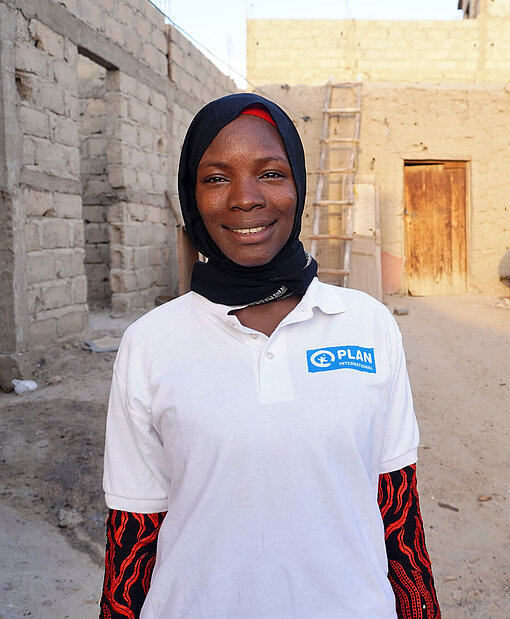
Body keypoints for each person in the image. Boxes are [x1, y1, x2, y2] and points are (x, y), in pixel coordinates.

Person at [100, 93, 440, 619]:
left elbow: (398, 512)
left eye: (271, 174)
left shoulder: (368, 325)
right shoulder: (150, 343)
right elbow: (132, 536)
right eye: (216, 178)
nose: (245, 198)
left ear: (298, 185)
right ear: (191, 196)